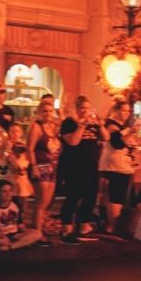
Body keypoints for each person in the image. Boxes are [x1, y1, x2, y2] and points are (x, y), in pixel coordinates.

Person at [58, 96, 108, 245]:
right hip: (74, 167)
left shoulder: (93, 124)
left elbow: (106, 137)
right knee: (74, 196)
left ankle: (84, 227)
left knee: (91, 195)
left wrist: (100, 125)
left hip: (91, 167)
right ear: (77, 109)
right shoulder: (69, 123)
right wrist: (81, 126)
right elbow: (72, 142)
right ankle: (66, 229)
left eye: (88, 108)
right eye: (83, 108)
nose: (86, 111)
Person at [99, 101, 140, 234]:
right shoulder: (111, 124)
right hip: (115, 167)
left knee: (119, 196)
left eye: (128, 111)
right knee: (115, 197)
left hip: (124, 166)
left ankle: (112, 224)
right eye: (123, 110)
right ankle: (112, 225)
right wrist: (130, 131)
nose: (126, 114)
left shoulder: (122, 126)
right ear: (116, 110)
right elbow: (117, 143)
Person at [27, 101, 61, 244]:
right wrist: (34, 166)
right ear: (39, 112)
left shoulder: (53, 127)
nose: (48, 114)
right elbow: (29, 148)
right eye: (44, 111)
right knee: (40, 202)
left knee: (47, 202)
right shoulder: (37, 127)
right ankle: (37, 233)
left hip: (52, 167)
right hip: (41, 166)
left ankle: (39, 228)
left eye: (50, 111)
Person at [0, 179, 41, 251]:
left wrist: (26, 231)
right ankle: (18, 244)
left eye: (10, 191)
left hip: (15, 235)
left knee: (37, 233)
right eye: (4, 191)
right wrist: (0, 234)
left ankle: (10, 247)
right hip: (0, 235)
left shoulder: (15, 204)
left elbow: (19, 223)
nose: (8, 194)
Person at [3, 124, 33, 209]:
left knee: (24, 196)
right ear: (9, 133)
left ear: (21, 133)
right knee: (12, 197)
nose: (15, 133)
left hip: (23, 174)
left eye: (17, 131)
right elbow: (5, 157)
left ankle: (22, 216)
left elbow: (28, 157)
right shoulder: (6, 145)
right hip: (11, 175)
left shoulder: (24, 144)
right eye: (13, 131)